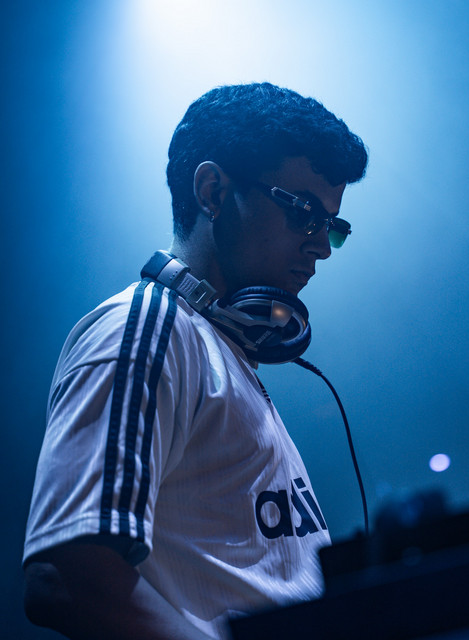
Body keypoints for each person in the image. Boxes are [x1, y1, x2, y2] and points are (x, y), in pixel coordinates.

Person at [23, 82, 368, 640]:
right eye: (305, 213)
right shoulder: (144, 332)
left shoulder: (219, 346)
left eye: (333, 226)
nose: (322, 245)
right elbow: (64, 576)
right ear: (213, 191)